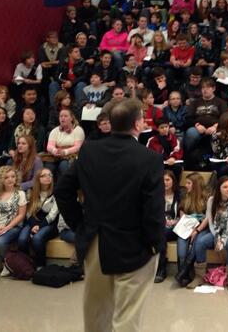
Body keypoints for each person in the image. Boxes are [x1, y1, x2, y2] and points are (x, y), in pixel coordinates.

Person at [55, 99, 164, 332]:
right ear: (138, 124)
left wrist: (80, 224)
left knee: (96, 311)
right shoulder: (150, 158)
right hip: (137, 243)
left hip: (95, 238)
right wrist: (155, 243)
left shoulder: (89, 151)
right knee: (128, 315)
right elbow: (153, 209)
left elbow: (62, 190)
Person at [192, 176, 228, 291]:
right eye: (225, 187)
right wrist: (217, 237)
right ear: (219, 188)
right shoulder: (211, 200)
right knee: (200, 242)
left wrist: (223, 240)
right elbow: (210, 222)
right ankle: (199, 276)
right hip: (215, 231)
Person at [17, 168, 59, 268]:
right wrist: (34, 225)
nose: (47, 177)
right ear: (38, 179)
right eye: (43, 175)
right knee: (22, 239)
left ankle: (40, 265)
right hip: (33, 220)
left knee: (37, 238)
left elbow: (53, 214)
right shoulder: (31, 191)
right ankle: (27, 265)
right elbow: (28, 213)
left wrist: (39, 226)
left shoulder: (57, 191)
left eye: (50, 175)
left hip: (50, 223)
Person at [174, 172, 208, 287]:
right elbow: (181, 210)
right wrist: (184, 220)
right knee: (181, 251)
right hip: (186, 227)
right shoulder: (185, 195)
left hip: (201, 228)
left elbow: (207, 219)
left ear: (196, 185)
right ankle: (184, 274)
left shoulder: (206, 198)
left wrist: (196, 229)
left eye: (189, 183)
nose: (186, 185)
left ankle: (183, 274)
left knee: (195, 243)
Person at [183, 78, 228, 158]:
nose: (205, 90)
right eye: (203, 88)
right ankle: (187, 158)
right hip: (198, 128)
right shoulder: (195, 102)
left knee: (220, 134)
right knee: (190, 133)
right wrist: (197, 125)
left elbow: (225, 118)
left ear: (213, 88)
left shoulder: (221, 102)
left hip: (216, 128)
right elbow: (188, 118)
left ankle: (217, 158)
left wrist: (215, 126)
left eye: (207, 87)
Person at [154, 170, 180, 283]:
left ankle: (161, 270)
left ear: (173, 181)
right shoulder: (156, 195)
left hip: (176, 226)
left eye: (167, 180)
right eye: (162, 180)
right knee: (160, 234)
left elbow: (185, 213)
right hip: (160, 226)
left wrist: (176, 221)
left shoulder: (179, 195)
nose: (165, 182)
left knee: (161, 234)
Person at [45, 108, 85, 180]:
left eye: (65, 116)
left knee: (63, 166)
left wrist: (65, 152)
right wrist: (55, 151)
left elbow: (78, 147)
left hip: (71, 155)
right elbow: (49, 146)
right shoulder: (55, 130)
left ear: (71, 118)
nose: (62, 118)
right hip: (56, 155)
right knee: (49, 167)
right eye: (61, 116)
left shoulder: (78, 130)